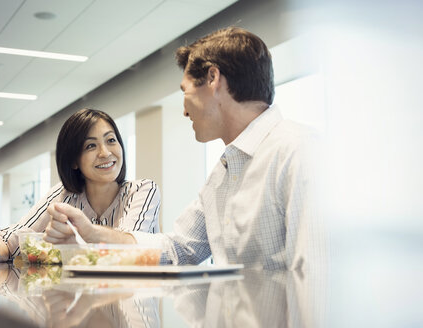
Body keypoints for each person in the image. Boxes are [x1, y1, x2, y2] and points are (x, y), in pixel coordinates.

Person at [46, 27, 318, 270]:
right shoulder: (223, 176)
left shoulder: (298, 151)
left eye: (185, 92)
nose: (185, 111)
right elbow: (178, 249)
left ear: (213, 78)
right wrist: (92, 234)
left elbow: (319, 278)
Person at [0, 108, 160, 263]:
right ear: (74, 161)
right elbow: (16, 237)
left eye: (111, 140)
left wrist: (86, 234)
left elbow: (132, 246)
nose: (105, 153)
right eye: (90, 146)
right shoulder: (64, 195)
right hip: (80, 300)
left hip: (131, 300)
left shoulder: (142, 191)